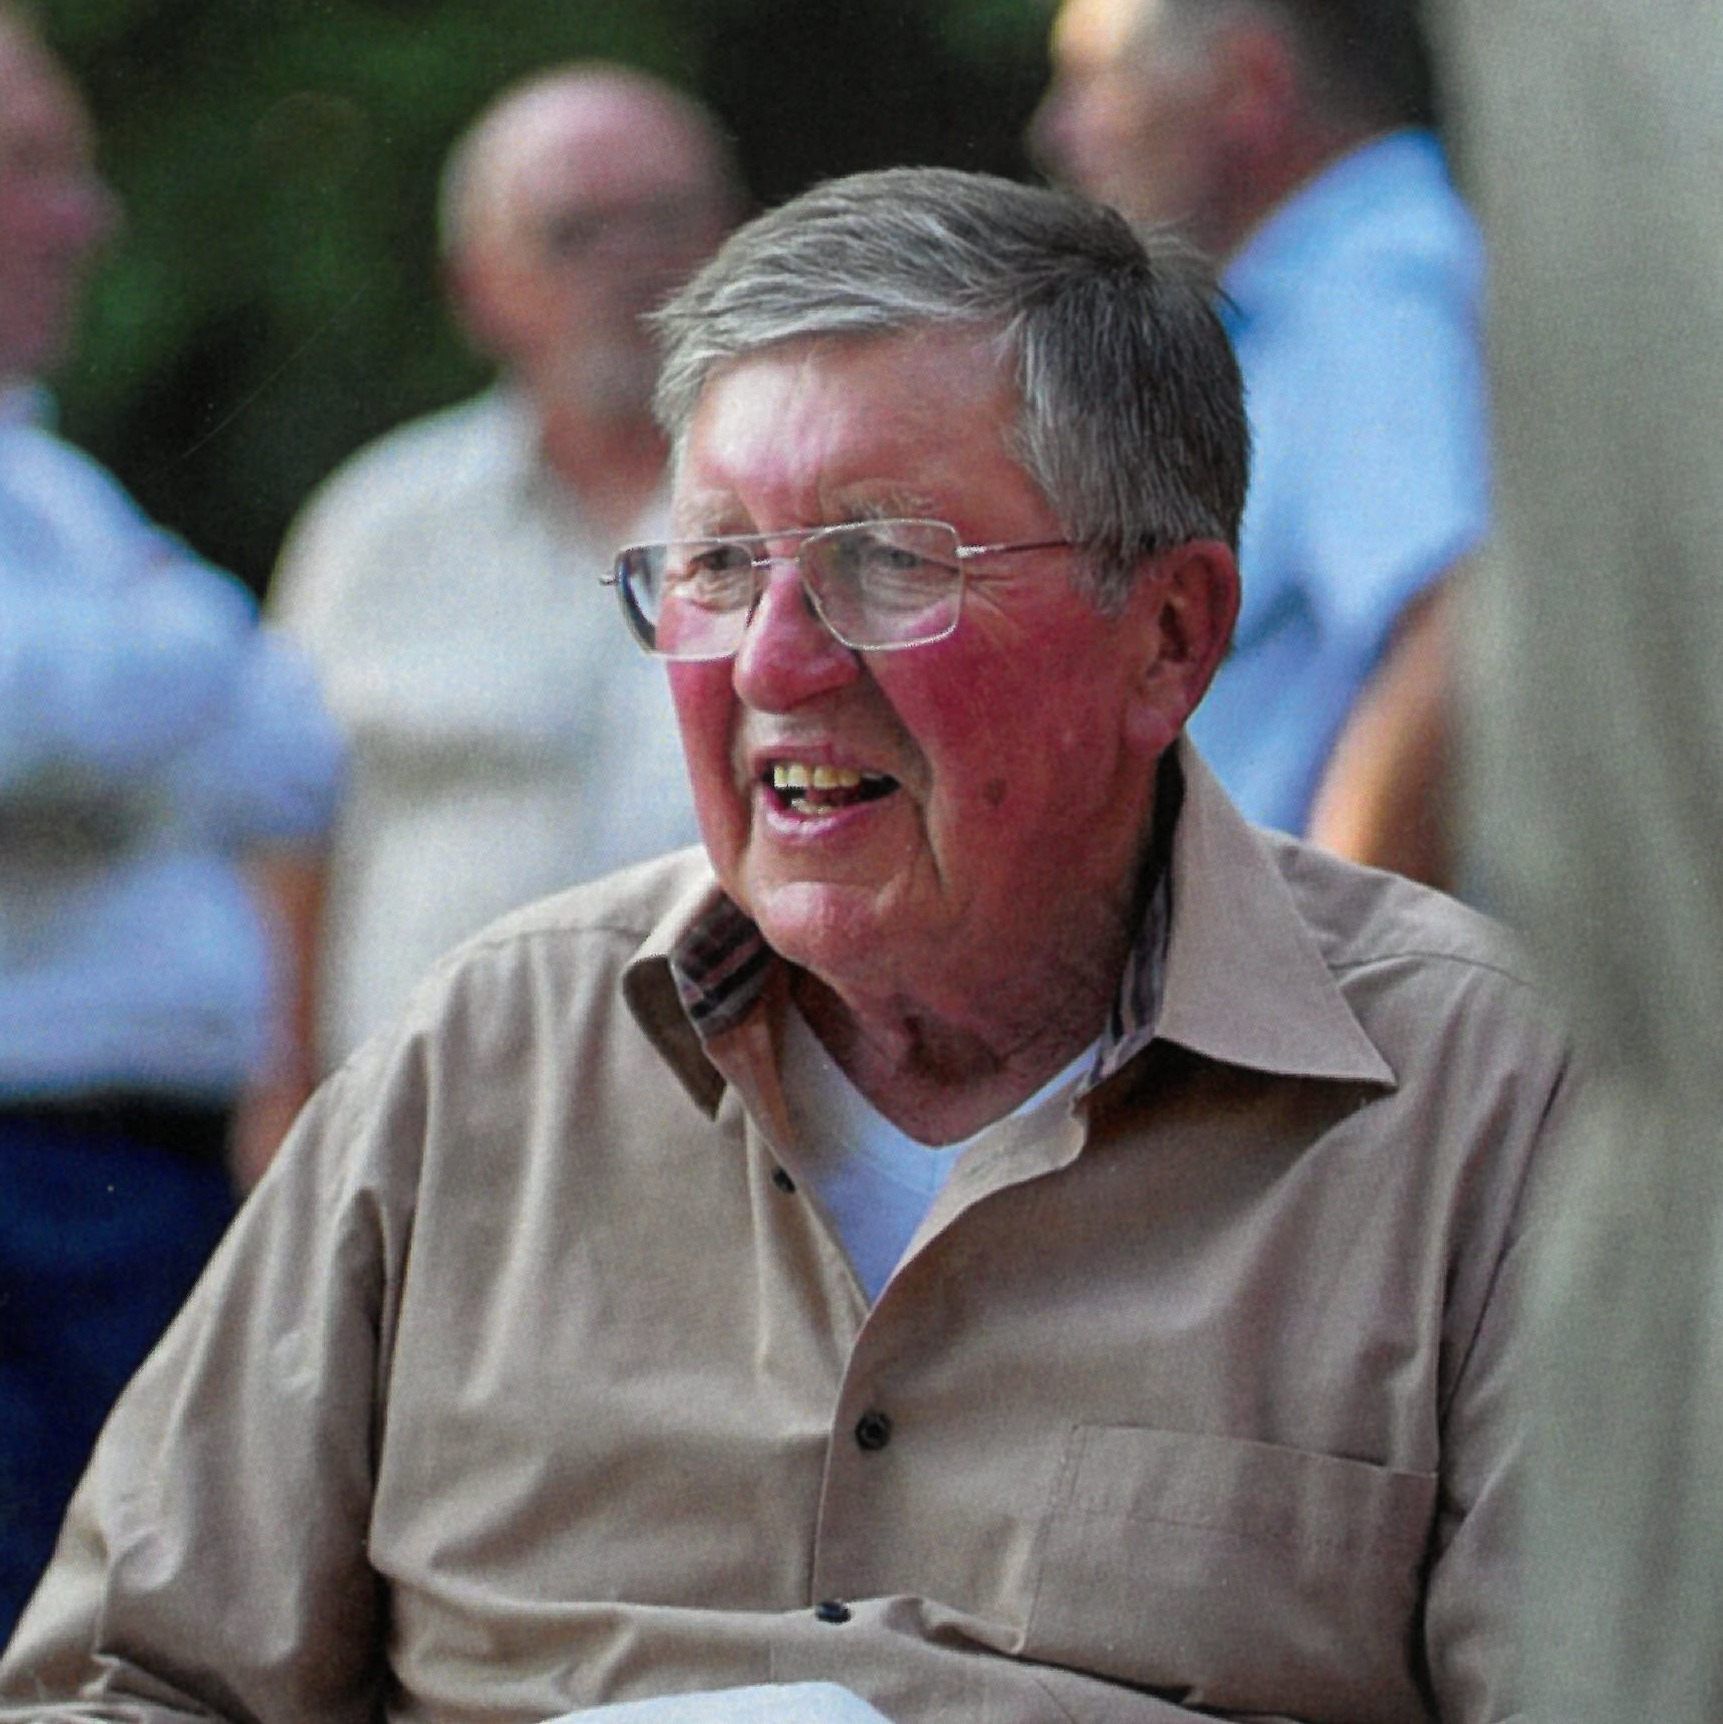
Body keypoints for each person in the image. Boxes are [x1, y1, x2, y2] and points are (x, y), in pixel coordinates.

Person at [2, 168, 1572, 1722]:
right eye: (715, 564)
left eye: (886, 563)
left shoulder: (1474, 1104)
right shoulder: (484, 1059)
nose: (771, 662)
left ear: (1168, 635)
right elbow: (123, 1683)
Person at [0, 5, 342, 1640]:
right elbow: (42, 721)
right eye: (26, 164)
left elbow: (295, 755)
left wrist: (138, 679)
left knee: (137, 1639)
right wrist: (183, 643)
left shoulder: (50, 487)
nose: (87, 214)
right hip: (29, 1184)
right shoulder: (90, 527)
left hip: (126, 1194)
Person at [267, 65, 740, 1070]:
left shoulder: (813, 515)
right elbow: (282, 842)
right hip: (428, 1121)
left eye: (666, 220)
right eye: (573, 233)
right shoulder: (377, 527)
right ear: (475, 286)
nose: (632, 266)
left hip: (742, 1116)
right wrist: (281, 1114)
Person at [1032, 0, 1486, 884]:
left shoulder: (1365, 292)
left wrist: (1336, 949)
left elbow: (1455, 632)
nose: (1055, 131)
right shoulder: (1346, 280)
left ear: (1249, 86)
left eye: (1093, 81)